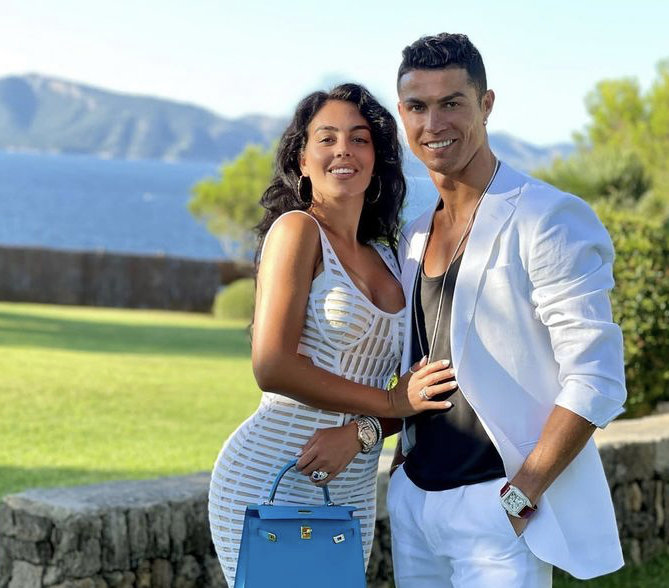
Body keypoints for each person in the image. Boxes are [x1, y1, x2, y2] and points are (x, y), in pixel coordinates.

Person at [386, 33, 627, 587]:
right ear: (402, 114)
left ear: (486, 104)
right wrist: (400, 469)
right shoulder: (414, 235)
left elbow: (596, 378)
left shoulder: (548, 217)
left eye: (452, 103)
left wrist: (523, 493)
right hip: (414, 502)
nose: (433, 123)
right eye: (418, 107)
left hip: (498, 507)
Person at [208, 83, 454, 587]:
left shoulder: (391, 256)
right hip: (271, 477)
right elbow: (272, 366)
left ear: (376, 160)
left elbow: (414, 396)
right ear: (302, 160)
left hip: (351, 491)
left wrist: (363, 431)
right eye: (327, 138)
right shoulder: (297, 231)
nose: (344, 149)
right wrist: (388, 403)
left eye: (359, 139)